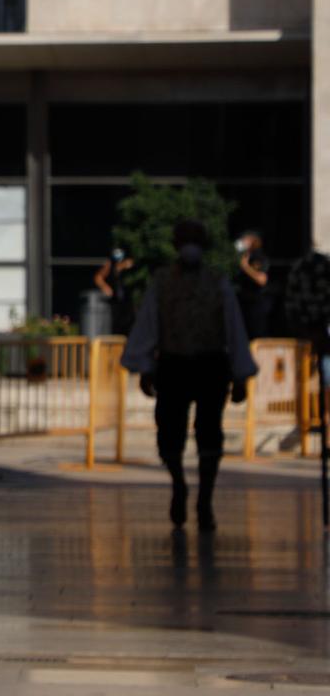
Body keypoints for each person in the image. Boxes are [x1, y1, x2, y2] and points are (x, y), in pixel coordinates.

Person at [122, 219, 257, 532]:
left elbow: (234, 329)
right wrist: (144, 368)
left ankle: (205, 500)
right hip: (174, 365)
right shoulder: (162, 282)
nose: (189, 246)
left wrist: (240, 376)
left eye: (194, 239)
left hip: (210, 365)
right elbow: (148, 326)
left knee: (210, 432)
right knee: (169, 432)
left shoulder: (218, 282)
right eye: (185, 239)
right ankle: (179, 484)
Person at [235, 228, 273, 340]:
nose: (241, 242)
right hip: (244, 302)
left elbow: (262, 280)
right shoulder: (243, 257)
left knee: (257, 334)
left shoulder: (259, 257)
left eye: (245, 239)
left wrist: (246, 267)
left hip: (257, 302)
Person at [94, 246, 136, 335]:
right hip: (115, 301)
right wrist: (106, 287)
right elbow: (98, 277)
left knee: (129, 323)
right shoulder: (110, 265)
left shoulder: (128, 265)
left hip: (127, 301)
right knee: (116, 325)